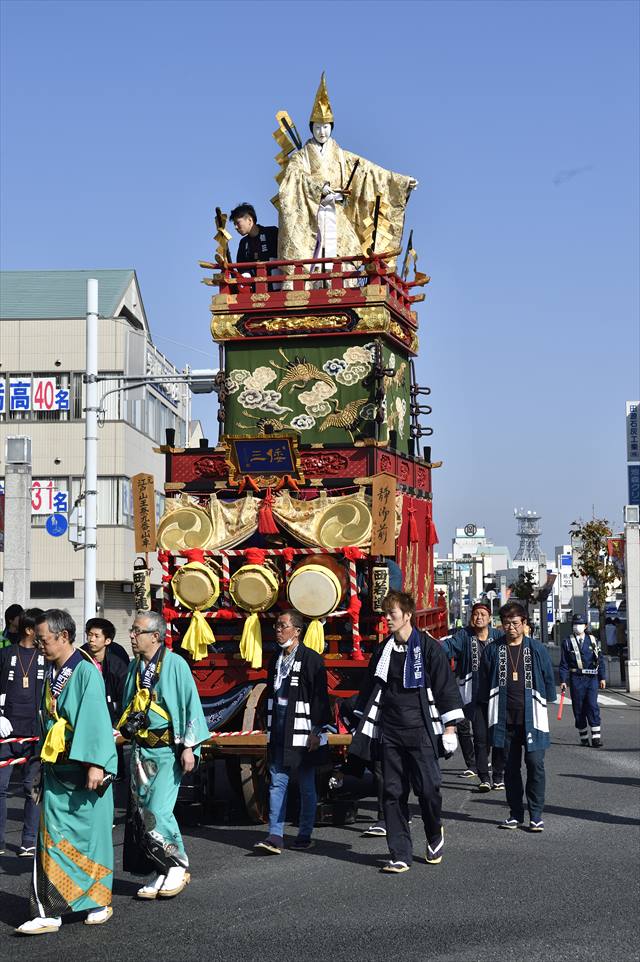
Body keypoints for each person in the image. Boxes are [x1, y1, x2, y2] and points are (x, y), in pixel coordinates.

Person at [16, 609, 117, 935]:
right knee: (52, 841)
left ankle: (98, 901)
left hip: (85, 768)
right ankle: (49, 911)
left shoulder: (85, 671)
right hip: (57, 768)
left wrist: (96, 763)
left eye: (43, 639)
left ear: (63, 637)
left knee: (92, 840)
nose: (39, 645)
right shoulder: (52, 672)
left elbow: (96, 718)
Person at [350, 591, 464, 874]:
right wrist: (361, 724)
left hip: (421, 729)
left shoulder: (429, 648)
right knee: (392, 792)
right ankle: (400, 853)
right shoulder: (383, 651)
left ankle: (434, 832)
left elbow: (445, 687)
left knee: (428, 789)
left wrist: (450, 729)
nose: (387, 619)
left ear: (408, 615)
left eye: (392, 613)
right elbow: (370, 689)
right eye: (385, 614)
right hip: (390, 730)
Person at [278, 73, 417, 269]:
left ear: (331, 128)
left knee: (347, 255)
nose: (322, 132)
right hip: (310, 216)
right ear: (312, 128)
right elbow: (294, 177)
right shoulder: (301, 157)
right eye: (317, 127)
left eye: (326, 127)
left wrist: (401, 181)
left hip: (337, 214)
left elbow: (370, 173)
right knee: (311, 260)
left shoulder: (343, 157)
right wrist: (321, 188)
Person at [120, 610, 209, 899]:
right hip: (141, 749)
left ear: (156, 636)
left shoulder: (175, 664)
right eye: (133, 631)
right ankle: (160, 868)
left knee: (158, 810)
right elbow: (127, 706)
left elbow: (190, 705)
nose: (132, 636)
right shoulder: (135, 667)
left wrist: (189, 747)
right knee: (142, 813)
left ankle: (177, 864)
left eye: (138, 631)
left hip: (168, 750)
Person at [254, 609, 331, 855]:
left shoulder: (312, 660)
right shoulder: (275, 659)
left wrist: (317, 731)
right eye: (276, 626)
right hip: (279, 727)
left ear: (297, 631)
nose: (278, 630)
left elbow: (320, 699)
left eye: (283, 626)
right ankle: (275, 835)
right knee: (277, 782)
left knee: (306, 785)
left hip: (302, 730)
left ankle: (304, 834)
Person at [478, 602, 556, 833]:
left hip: (533, 718)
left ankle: (536, 815)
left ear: (524, 623)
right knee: (510, 769)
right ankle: (515, 813)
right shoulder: (493, 650)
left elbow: (548, 679)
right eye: (506, 623)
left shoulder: (536, 649)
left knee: (535, 765)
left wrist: (546, 702)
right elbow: (483, 684)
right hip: (504, 720)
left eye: (515, 623)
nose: (510, 627)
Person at [441, 602, 504, 791]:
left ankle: (498, 776)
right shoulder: (465, 635)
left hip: (497, 694)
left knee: (498, 737)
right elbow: (448, 646)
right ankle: (484, 777)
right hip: (474, 694)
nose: (479, 617)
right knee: (479, 737)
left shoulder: (498, 636)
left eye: (483, 614)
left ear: (490, 618)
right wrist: (432, 645)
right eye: (476, 614)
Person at [0, 608, 45, 856]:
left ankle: (28, 840)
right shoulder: (6, 654)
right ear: (29, 630)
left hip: (35, 732)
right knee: (0, 788)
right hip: (5, 731)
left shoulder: (46, 657)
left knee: (32, 788)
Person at [559, 613, 607, 747]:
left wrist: (602, 677)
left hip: (591, 678)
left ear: (585, 626)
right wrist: (563, 680)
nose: (577, 626)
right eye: (575, 624)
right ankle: (584, 737)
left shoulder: (593, 640)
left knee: (592, 705)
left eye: (580, 624)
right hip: (576, 678)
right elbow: (564, 663)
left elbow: (600, 660)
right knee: (578, 707)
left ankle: (596, 737)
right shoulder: (567, 642)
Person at [231, 202, 278, 267]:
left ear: (249, 220)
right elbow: (241, 266)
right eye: (234, 224)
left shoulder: (272, 232)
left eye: (238, 223)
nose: (236, 227)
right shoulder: (243, 243)